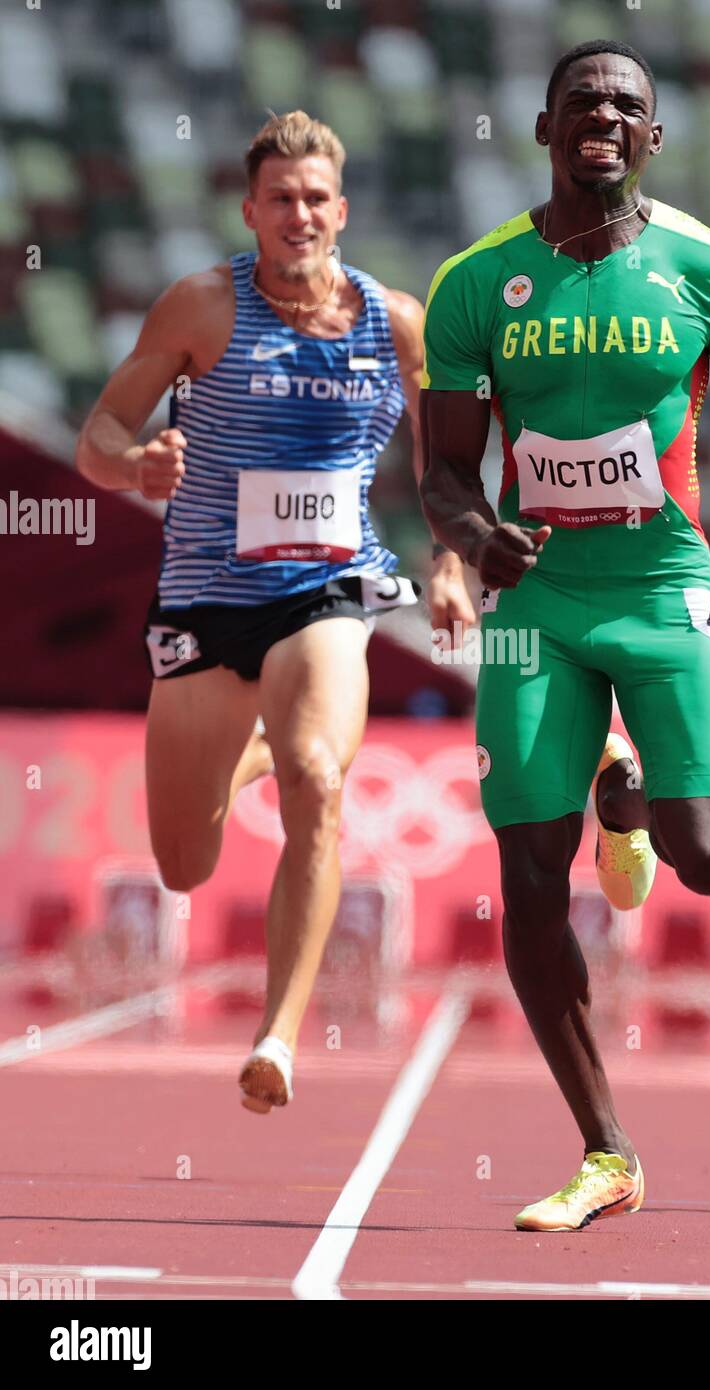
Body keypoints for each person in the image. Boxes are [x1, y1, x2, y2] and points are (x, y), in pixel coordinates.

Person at [420, 41, 710, 1231]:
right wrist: (474, 535)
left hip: (663, 587)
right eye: (582, 100)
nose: (603, 115)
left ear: (653, 138)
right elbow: (444, 472)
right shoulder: (473, 282)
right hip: (535, 607)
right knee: (526, 875)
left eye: (627, 105)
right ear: (543, 125)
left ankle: (630, 799)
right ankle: (606, 1148)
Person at [76, 110, 474, 1113]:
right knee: (184, 861)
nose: (299, 213)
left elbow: (448, 460)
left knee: (318, 777)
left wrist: (449, 563)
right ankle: (246, 747)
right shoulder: (201, 308)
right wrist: (133, 464)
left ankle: (277, 1035)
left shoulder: (397, 321)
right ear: (250, 211)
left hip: (328, 589)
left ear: (340, 210)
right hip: (208, 604)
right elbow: (100, 432)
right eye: (280, 199)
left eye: (315, 198)